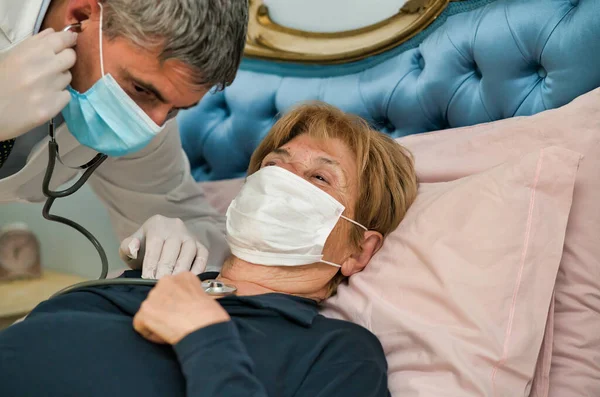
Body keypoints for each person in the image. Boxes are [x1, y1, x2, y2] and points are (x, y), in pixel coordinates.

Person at [0, 103, 418, 396]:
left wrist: (204, 338)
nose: (281, 181)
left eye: (320, 178)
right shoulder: (143, 281)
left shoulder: (337, 351)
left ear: (359, 251)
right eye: (274, 165)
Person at [0, 0, 248, 278]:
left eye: (177, 108)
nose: (151, 125)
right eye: (141, 89)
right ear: (81, 15)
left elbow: (175, 212)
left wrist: (182, 239)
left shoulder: (151, 114)